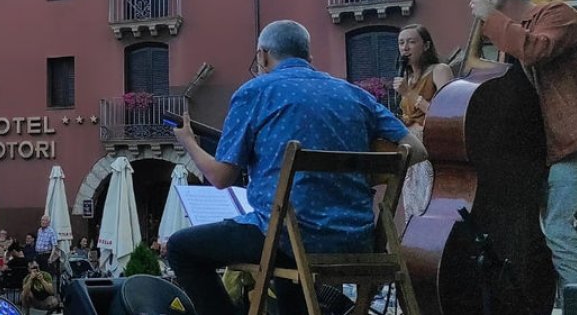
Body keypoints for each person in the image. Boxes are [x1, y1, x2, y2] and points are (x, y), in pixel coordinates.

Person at [167, 20, 424, 315]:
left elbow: (221, 177)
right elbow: (417, 151)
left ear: (263, 56)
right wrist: (362, 169)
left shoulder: (255, 92)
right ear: (309, 56)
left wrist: (188, 142)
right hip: (355, 238)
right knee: (288, 263)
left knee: (180, 248)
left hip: (286, 237)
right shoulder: (354, 94)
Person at [469, 0, 577, 289]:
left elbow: (536, 50)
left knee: (563, 230)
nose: (472, 3)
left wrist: (491, 18)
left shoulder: (558, 14)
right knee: (557, 233)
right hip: (554, 151)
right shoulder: (515, 37)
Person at [390, 24, 453, 221]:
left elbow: (446, 114)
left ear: (426, 45)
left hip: (431, 147)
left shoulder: (440, 71)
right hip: (411, 149)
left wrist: (408, 94)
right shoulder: (406, 78)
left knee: (429, 204)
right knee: (412, 207)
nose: (405, 47)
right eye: (401, 43)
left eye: (411, 42)